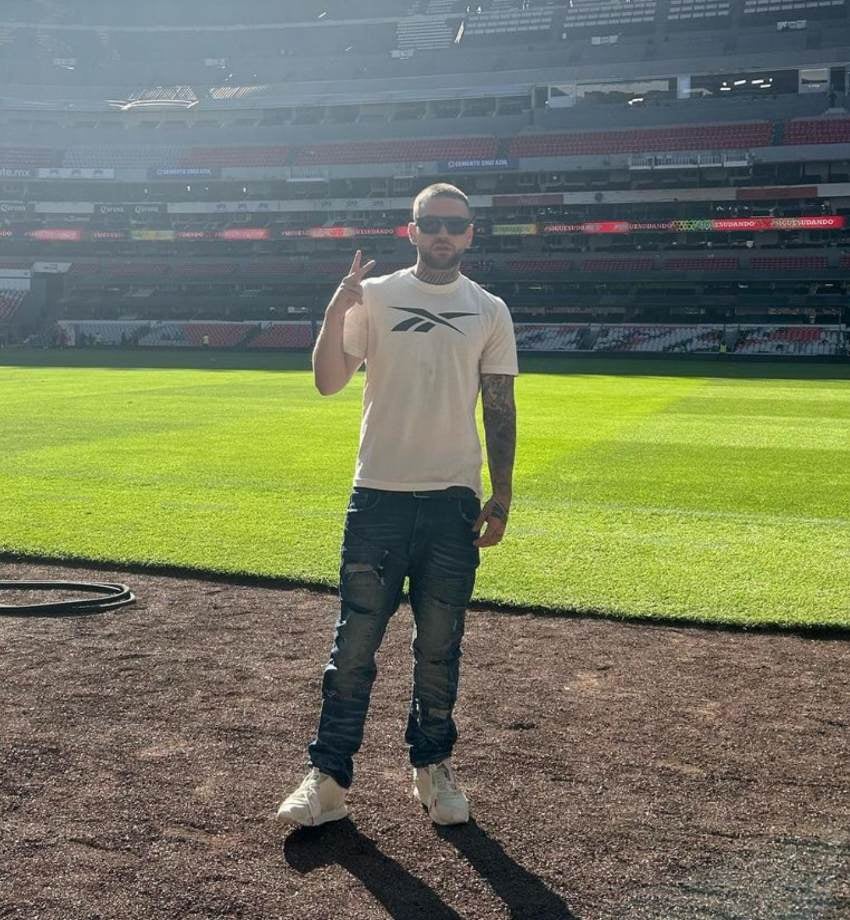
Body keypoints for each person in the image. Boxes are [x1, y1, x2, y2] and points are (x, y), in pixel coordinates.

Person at [277, 183, 518, 828]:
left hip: (452, 501)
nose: (443, 234)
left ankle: (432, 768)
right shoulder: (374, 297)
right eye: (431, 223)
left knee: (440, 646)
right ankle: (328, 779)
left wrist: (502, 494)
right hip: (378, 496)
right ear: (410, 231)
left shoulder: (489, 309)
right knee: (354, 644)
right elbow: (329, 382)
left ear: (470, 235)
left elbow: (499, 407)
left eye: (454, 225)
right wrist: (334, 313)